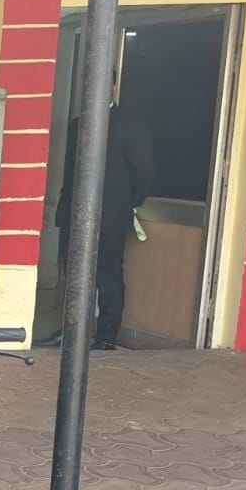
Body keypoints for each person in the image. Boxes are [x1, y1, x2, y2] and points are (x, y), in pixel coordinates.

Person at [41, 73, 155, 351]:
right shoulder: (77, 124)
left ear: (114, 87)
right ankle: (71, 332)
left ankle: (105, 337)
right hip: (73, 214)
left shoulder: (131, 125)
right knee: (73, 275)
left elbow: (145, 173)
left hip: (110, 217)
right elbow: (71, 171)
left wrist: (128, 203)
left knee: (107, 276)